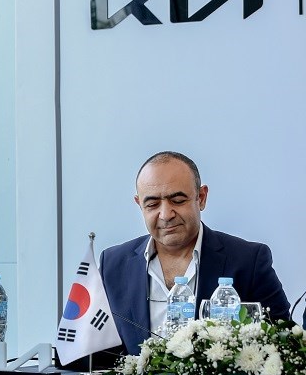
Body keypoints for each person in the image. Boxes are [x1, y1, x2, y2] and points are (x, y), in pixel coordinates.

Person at [100, 151, 290, 355]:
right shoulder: (112, 264)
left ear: (201, 198)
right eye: (152, 204)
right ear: (140, 205)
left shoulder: (249, 260)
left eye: (177, 200)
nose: (166, 215)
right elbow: (95, 352)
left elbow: (284, 344)